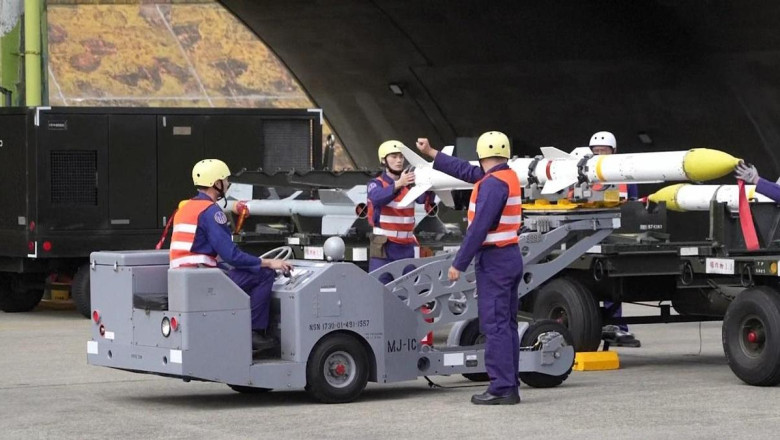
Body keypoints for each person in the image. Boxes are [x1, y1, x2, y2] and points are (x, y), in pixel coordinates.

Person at [416, 132, 523, 405]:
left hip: (495, 260)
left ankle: (501, 388)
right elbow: (464, 170)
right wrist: (432, 152)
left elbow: (478, 229)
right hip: (509, 255)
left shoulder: (491, 185)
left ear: (481, 154)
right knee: (507, 324)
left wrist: (458, 263)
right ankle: (510, 382)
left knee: (495, 325)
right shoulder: (504, 176)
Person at [169, 159, 292, 352]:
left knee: (236, 272)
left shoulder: (185, 208)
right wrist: (268, 263)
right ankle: (254, 333)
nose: (227, 184)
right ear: (216, 183)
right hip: (202, 280)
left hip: (185, 278)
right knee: (263, 275)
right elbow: (231, 255)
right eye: (225, 180)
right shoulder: (211, 212)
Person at [588, 131, 641, 348]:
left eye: (604, 151)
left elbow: (634, 203)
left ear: (614, 151)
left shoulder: (624, 174)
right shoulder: (586, 173)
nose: (600, 154)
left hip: (617, 233)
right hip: (591, 233)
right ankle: (599, 324)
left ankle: (617, 326)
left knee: (615, 283)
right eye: (596, 151)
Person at [368, 140, 434, 283]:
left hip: (407, 246)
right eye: (393, 156)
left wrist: (431, 184)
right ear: (384, 160)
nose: (399, 161)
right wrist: (399, 184)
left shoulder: (410, 185)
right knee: (380, 290)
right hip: (384, 247)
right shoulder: (376, 183)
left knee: (411, 290)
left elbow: (423, 200)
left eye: (401, 157)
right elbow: (377, 197)